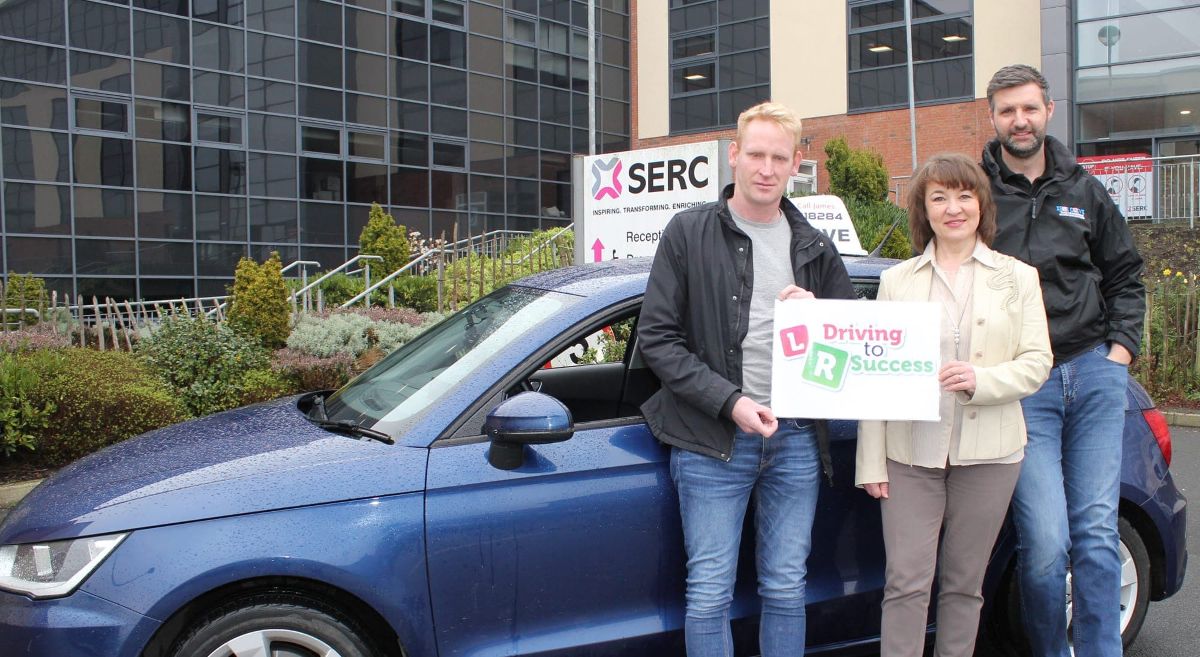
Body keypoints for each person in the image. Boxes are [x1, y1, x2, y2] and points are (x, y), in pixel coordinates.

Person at [637, 101, 856, 657]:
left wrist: (819, 316)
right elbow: (657, 341)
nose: (765, 167)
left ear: (796, 164)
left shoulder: (815, 247)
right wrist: (729, 402)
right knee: (709, 593)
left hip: (797, 437)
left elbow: (852, 345)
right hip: (713, 440)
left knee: (786, 587)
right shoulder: (687, 234)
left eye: (778, 157)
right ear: (733, 154)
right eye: (755, 153)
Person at [856, 152, 1052, 657]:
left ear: (981, 203)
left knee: (966, 584)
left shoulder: (1018, 277)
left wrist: (981, 379)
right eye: (938, 197)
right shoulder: (897, 281)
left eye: (964, 195)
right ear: (924, 208)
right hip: (909, 455)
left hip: (990, 456)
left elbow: (1037, 362)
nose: (953, 208)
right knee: (905, 584)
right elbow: (874, 374)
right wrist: (871, 460)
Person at [981, 64, 1146, 657]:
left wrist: (1120, 351)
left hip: (1093, 371)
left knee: (1098, 535)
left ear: (1049, 111)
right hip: (1025, 388)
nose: (1018, 120)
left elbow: (1126, 273)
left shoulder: (1084, 188)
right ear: (992, 116)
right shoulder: (975, 190)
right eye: (1006, 110)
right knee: (1046, 543)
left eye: (1028, 108)